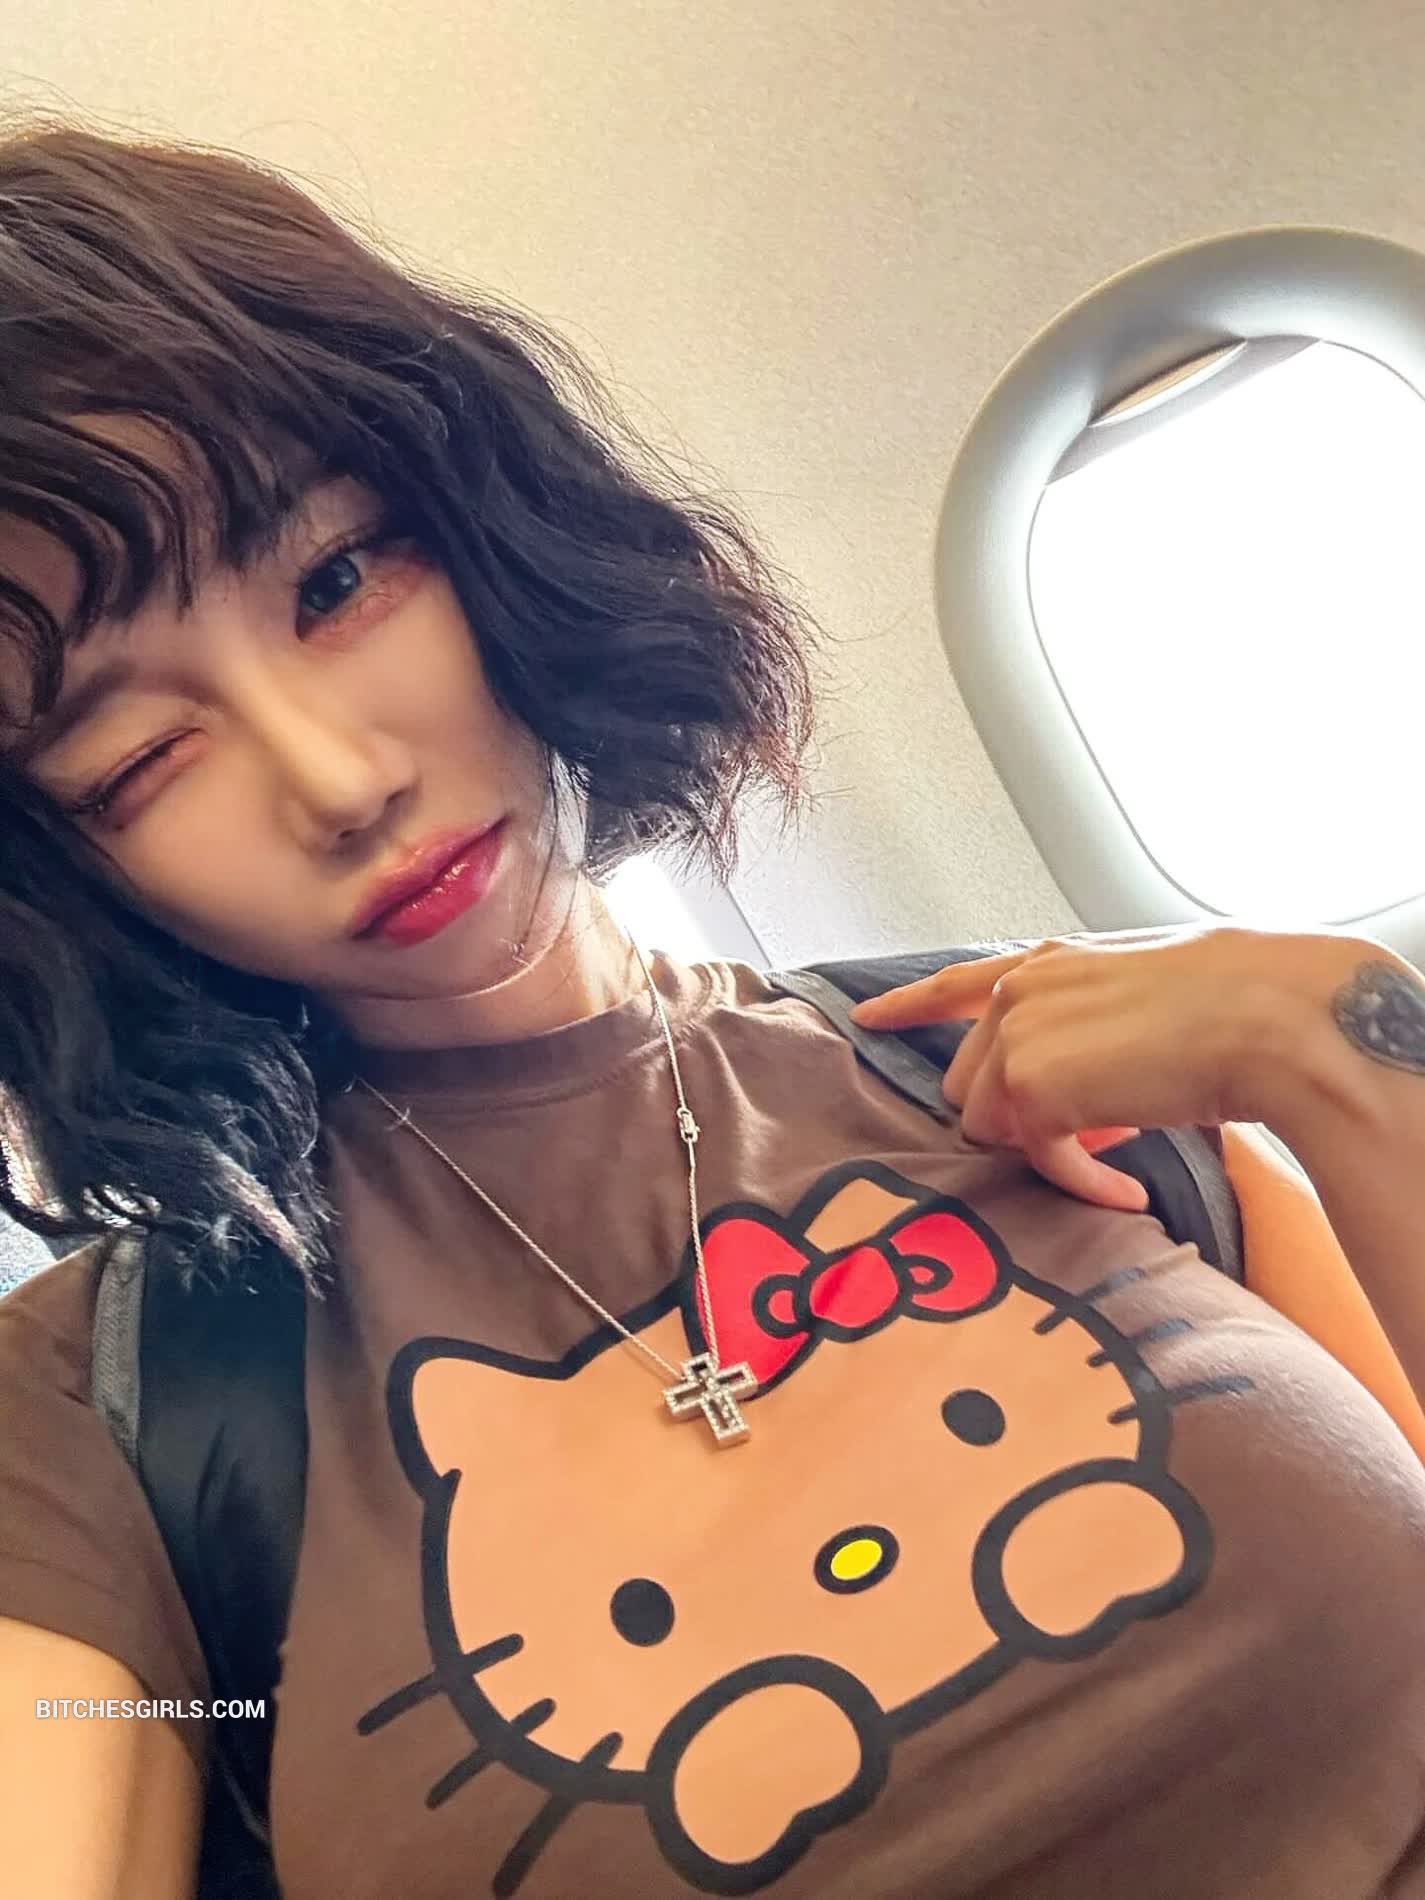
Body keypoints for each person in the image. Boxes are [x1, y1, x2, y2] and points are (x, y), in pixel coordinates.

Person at [1, 120, 1424, 1900]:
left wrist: (1355, 1052)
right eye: (140, 758)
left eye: (340, 582)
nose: (340, 780)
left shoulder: (1062, 1067)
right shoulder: (103, 1417)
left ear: (483, 520)